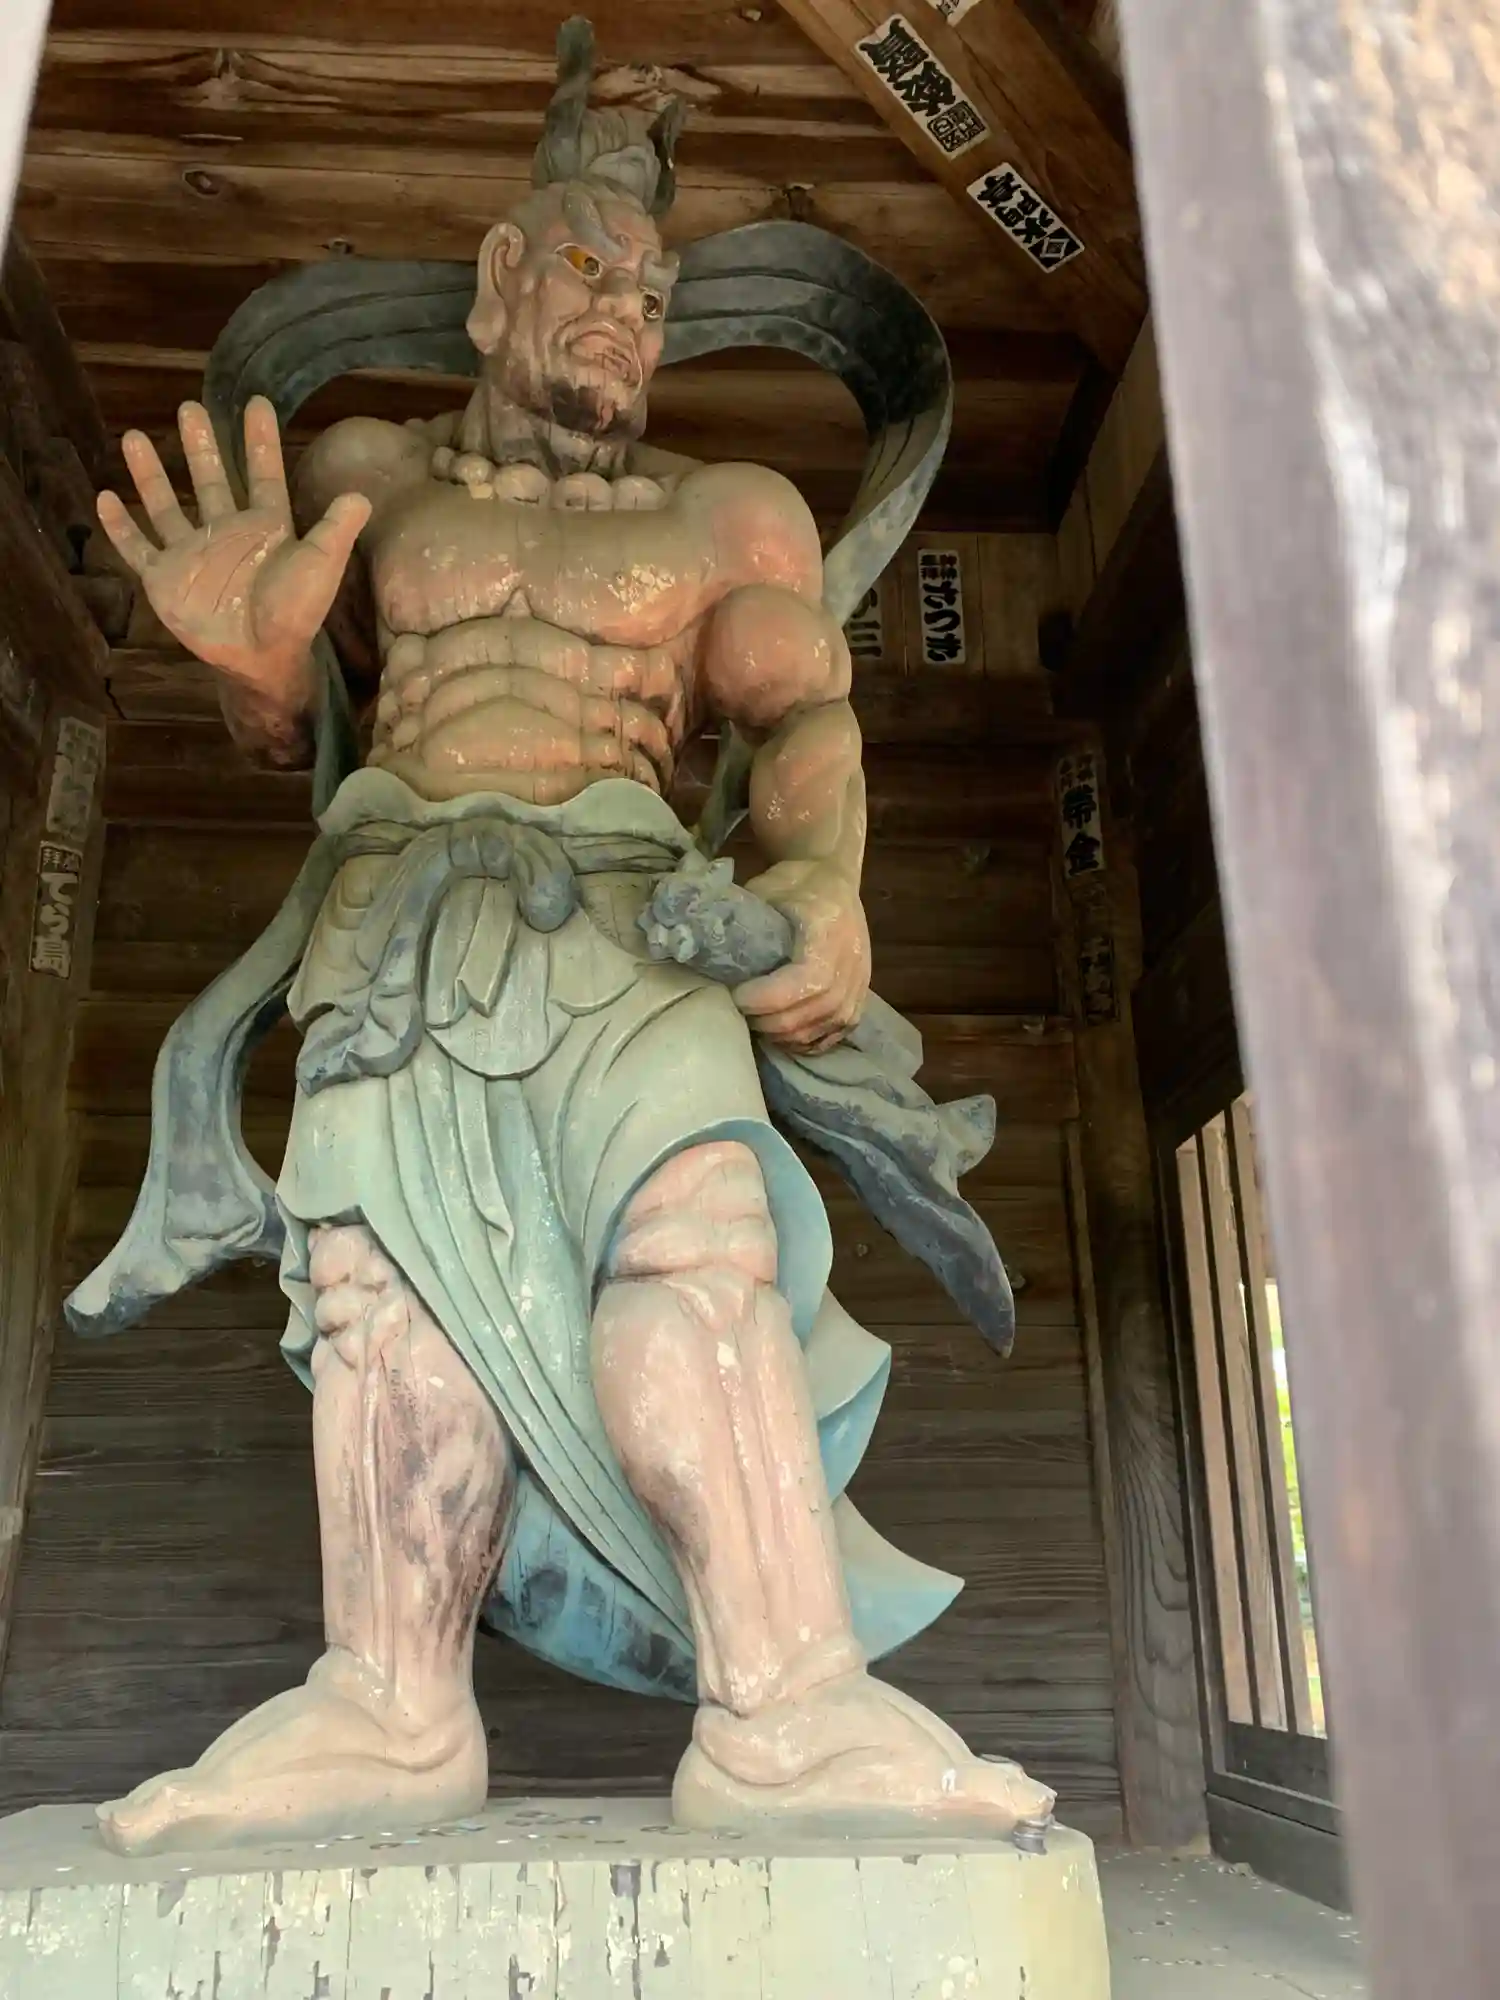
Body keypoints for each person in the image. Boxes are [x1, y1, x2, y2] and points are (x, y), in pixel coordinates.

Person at [90, 26, 1055, 1856]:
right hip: (396, 921)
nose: (627, 313)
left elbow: (803, 728)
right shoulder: (370, 473)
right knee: (383, 1297)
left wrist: (827, 890)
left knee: (700, 1240)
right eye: (593, 272)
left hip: (632, 917)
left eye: (658, 294)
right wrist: (254, 671)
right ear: (497, 282)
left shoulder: (726, 515)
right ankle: (389, 1702)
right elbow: (296, 724)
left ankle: (786, 1703)